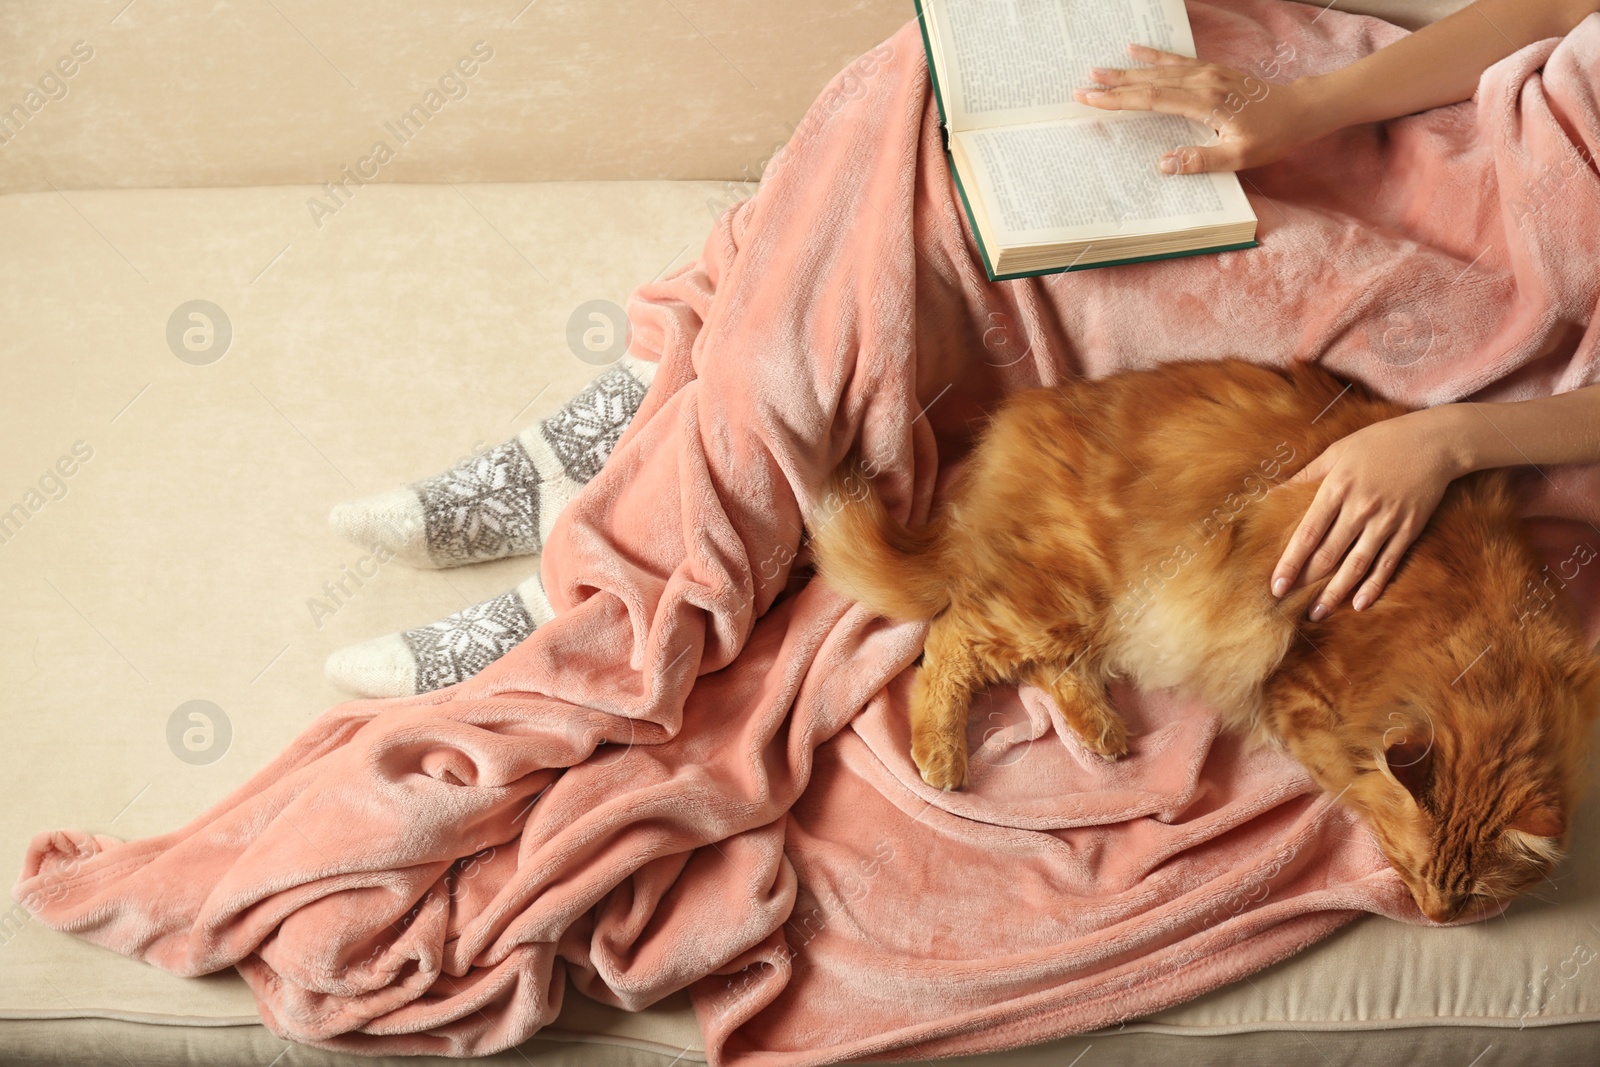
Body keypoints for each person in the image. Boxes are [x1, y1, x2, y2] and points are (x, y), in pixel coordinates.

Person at [1075, 0, 1600, 621]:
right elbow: (1558, 9)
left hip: (1511, 332)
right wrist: (1303, 107)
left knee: (1103, 287)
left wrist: (1448, 441)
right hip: (1447, 141)